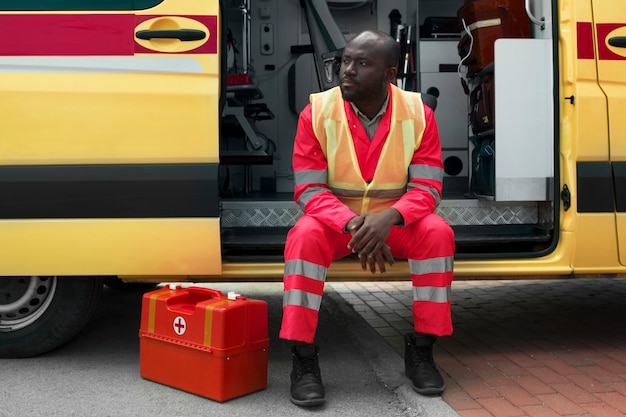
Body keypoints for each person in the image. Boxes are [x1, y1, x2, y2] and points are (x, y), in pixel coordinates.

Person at [279, 29, 455, 407]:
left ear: (390, 74)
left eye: (362, 63)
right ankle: (304, 359)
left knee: (438, 233)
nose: (348, 71)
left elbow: (429, 188)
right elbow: (308, 190)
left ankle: (422, 349)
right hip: (338, 226)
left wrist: (389, 218)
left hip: (393, 225)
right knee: (302, 236)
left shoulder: (419, 114)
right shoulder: (317, 111)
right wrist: (354, 224)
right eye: (345, 61)